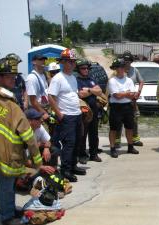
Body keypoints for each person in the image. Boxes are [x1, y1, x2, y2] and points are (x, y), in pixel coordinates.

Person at [0, 57, 42, 225]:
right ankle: (7, 216)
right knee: (5, 185)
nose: (13, 79)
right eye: (9, 76)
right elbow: (28, 135)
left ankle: (8, 209)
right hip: (8, 154)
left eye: (14, 76)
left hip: (1, 153)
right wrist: (37, 160)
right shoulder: (11, 105)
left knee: (6, 184)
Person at [48, 49, 86, 182]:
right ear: (63, 62)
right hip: (66, 116)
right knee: (69, 143)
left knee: (77, 142)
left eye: (73, 61)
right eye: (69, 61)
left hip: (76, 114)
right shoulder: (57, 78)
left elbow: (73, 94)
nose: (72, 64)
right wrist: (60, 114)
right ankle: (65, 170)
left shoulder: (73, 78)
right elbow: (50, 97)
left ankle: (73, 165)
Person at [107, 58, 139, 158]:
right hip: (116, 107)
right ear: (116, 69)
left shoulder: (129, 80)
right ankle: (112, 148)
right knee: (114, 129)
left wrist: (123, 94)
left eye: (122, 67)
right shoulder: (112, 81)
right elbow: (117, 96)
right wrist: (126, 93)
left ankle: (130, 146)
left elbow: (133, 94)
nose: (121, 69)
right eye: (118, 67)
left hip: (128, 106)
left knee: (129, 128)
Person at [76, 58, 103, 163]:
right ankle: (82, 155)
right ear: (78, 69)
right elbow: (81, 94)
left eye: (87, 68)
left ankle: (93, 154)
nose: (86, 70)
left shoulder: (91, 79)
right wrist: (93, 91)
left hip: (94, 110)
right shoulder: (77, 80)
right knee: (83, 133)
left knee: (94, 133)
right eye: (83, 68)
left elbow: (100, 91)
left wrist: (89, 90)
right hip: (84, 111)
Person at [123, 51, 144, 147]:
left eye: (128, 60)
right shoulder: (119, 70)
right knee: (118, 121)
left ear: (131, 61)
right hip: (121, 100)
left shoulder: (135, 70)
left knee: (134, 120)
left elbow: (141, 81)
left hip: (132, 101)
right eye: (125, 60)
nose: (127, 62)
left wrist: (138, 91)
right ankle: (116, 140)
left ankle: (135, 139)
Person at [26, 54, 50, 121]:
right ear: (34, 62)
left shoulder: (44, 75)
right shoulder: (31, 78)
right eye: (40, 59)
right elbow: (33, 101)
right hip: (37, 112)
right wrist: (44, 113)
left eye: (44, 59)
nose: (43, 61)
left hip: (46, 108)